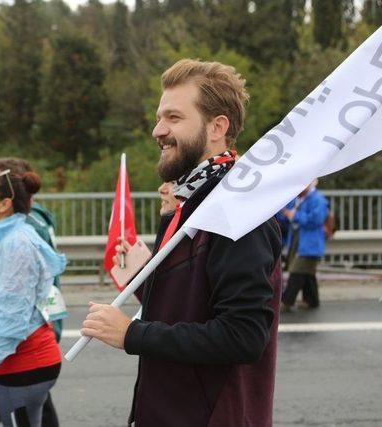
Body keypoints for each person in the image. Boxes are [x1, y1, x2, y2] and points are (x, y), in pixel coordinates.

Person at [80, 59, 282, 426]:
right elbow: (188, 307)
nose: (158, 130)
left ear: (217, 127)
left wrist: (131, 334)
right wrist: (144, 275)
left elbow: (243, 336)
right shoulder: (188, 203)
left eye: (173, 118)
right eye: (159, 118)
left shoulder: (236, 210)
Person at [0, 169, 66, 427]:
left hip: (25, 366)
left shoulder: (16, 244)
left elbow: (14, 316)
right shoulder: (5, 237)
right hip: (6, 360)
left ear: (4, 204)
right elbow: (12, 292)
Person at [280, 179, 329, 311]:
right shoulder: (300, 199)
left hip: (309, 243)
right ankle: (312, 300)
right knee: (307, 273)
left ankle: (287, 301)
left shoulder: (317, 200)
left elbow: (317, 220)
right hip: (300, 241)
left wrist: (294, 215)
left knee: (297, 270)